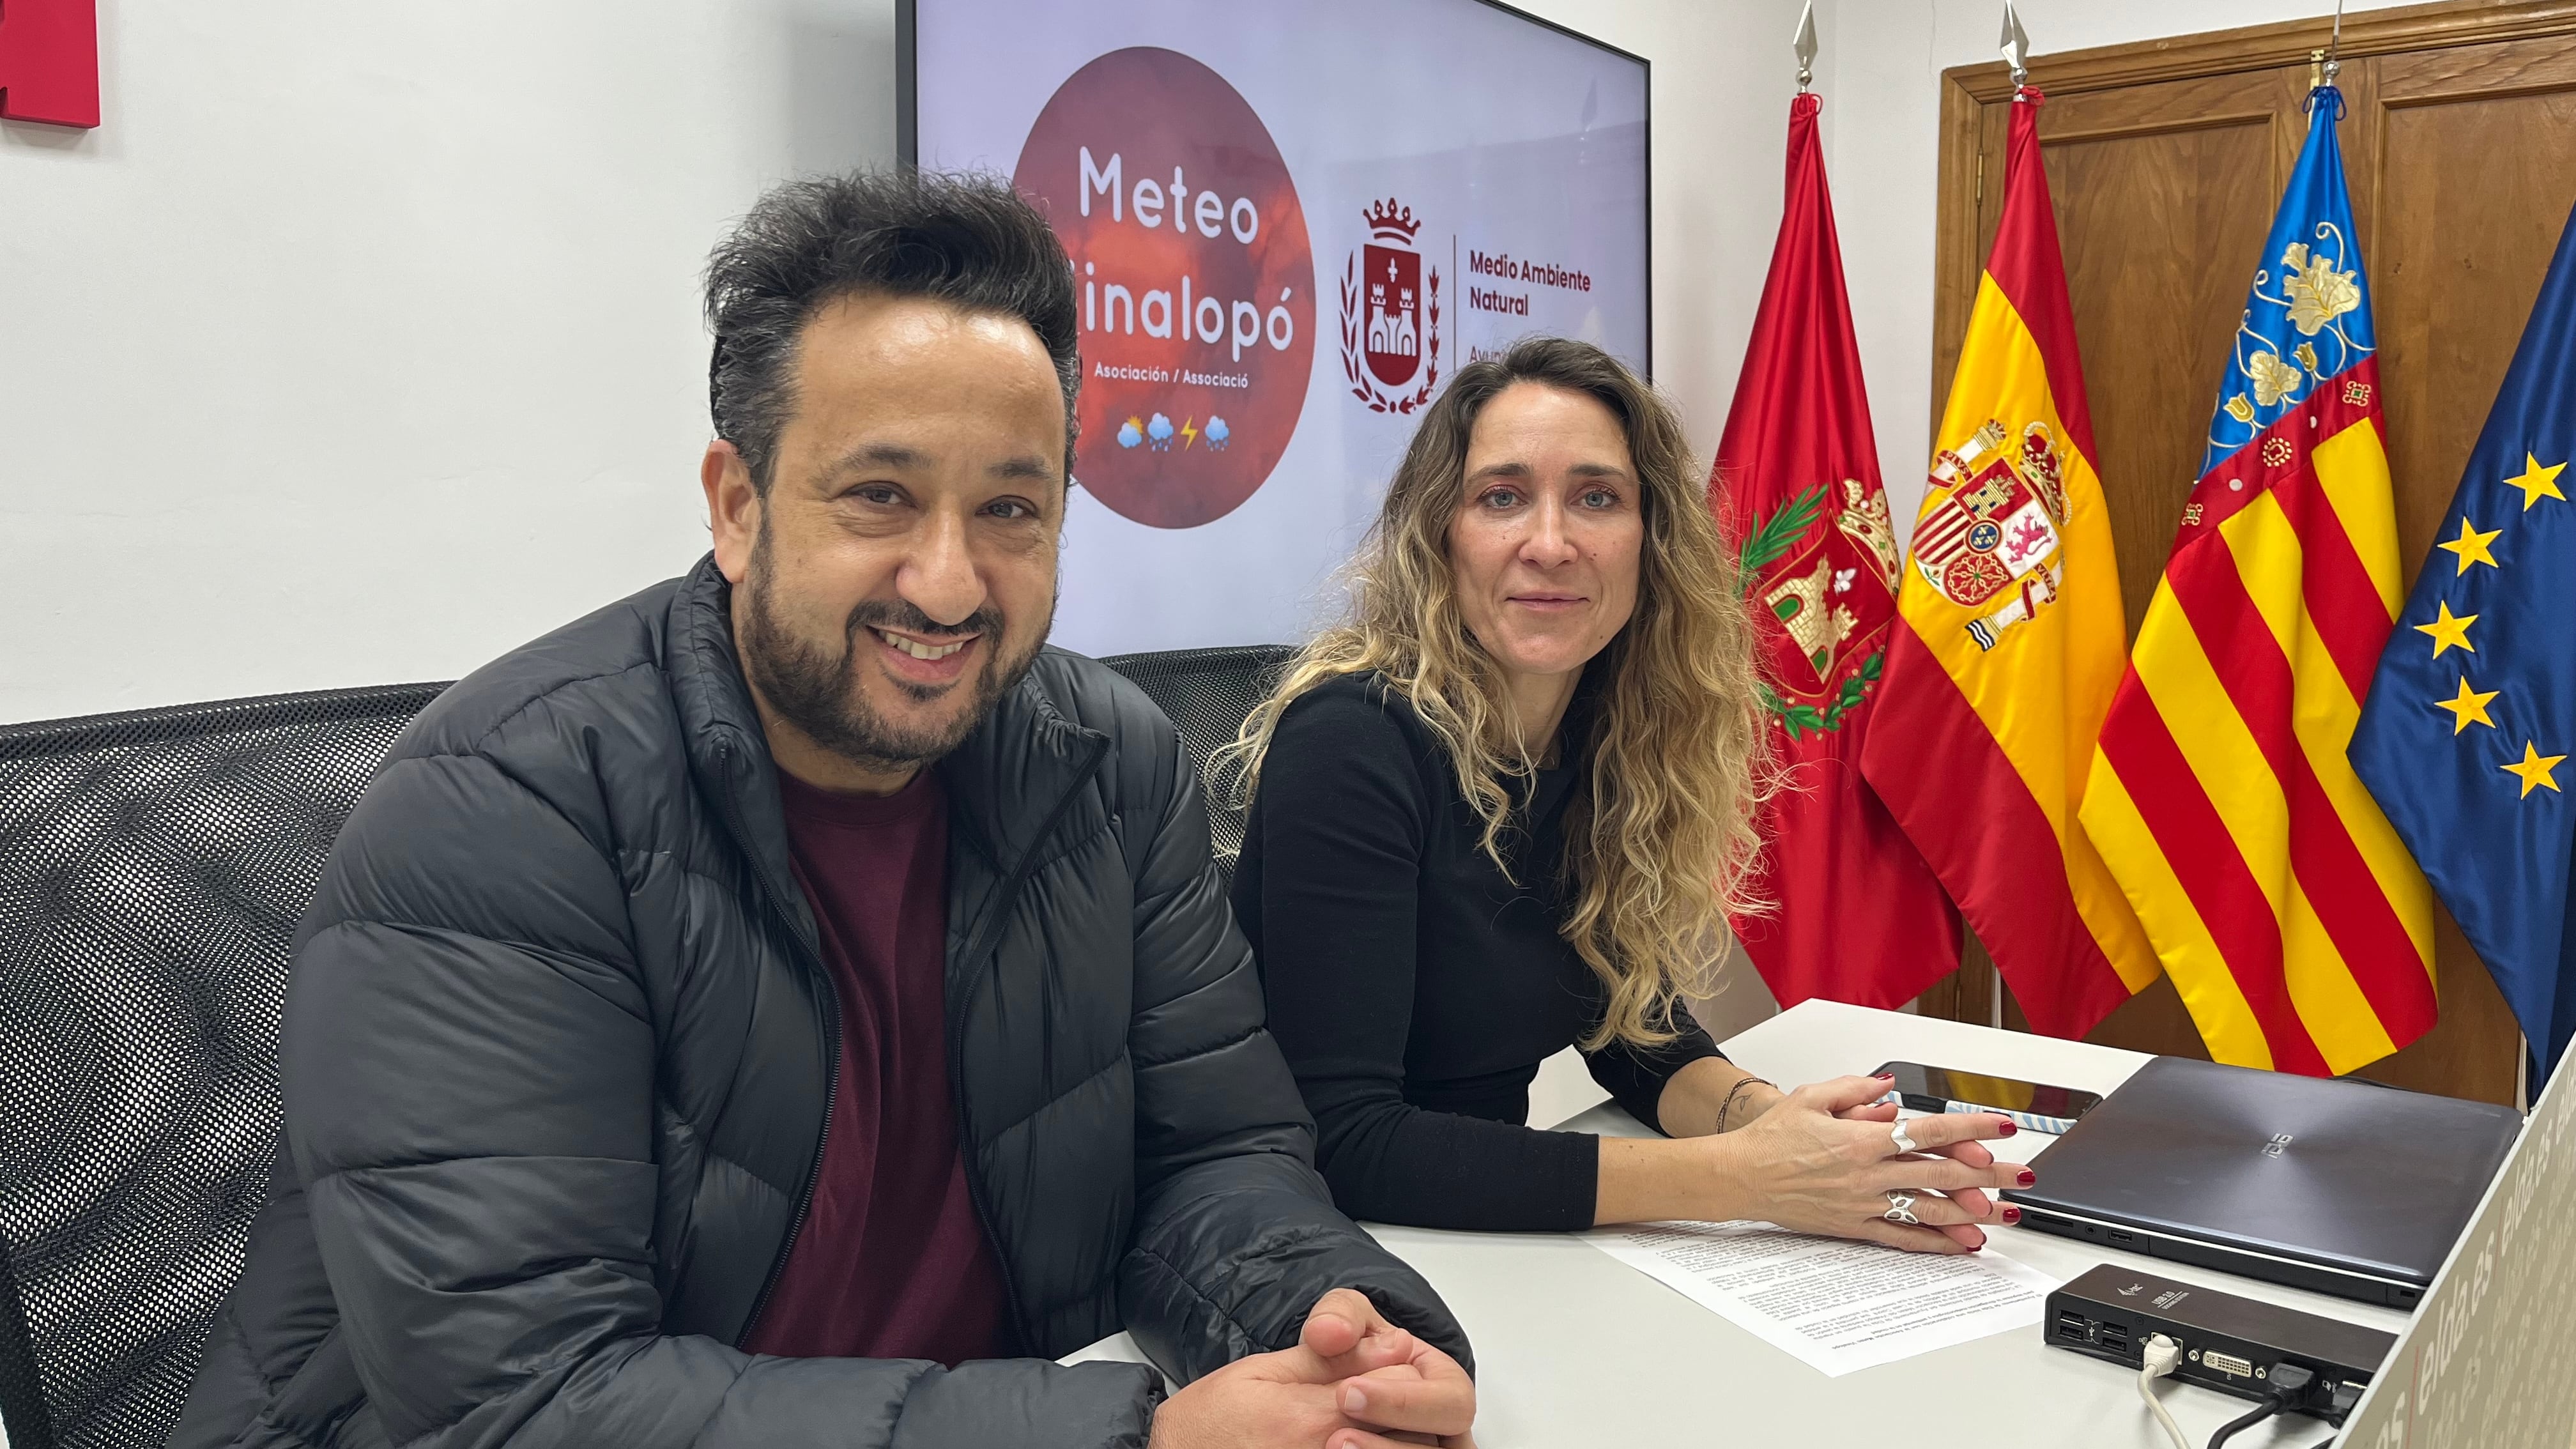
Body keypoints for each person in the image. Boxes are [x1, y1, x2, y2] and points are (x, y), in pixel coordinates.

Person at [172, 171, 1476, 1449]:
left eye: (1012, 509)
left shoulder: (1115, 769)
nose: (952, 582)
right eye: (880, 496)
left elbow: (1218, 1155)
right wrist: (1130, 1438)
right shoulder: (503, 811)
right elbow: (524, 1399)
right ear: (739, 509)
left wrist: (1336, 1335)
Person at [1227, 337, 2032, 1248]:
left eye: (1597, 498)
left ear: (1651, 541)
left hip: (1490, 1239)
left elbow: (1630, 1033)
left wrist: (1795, 1131)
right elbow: (1347, 1142)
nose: (1551, 543)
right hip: (1329, 1245)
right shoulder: (1351, 742)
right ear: (1437, 534)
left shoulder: (1611, 736)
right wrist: (1752, 1178)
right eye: (1502, 497)